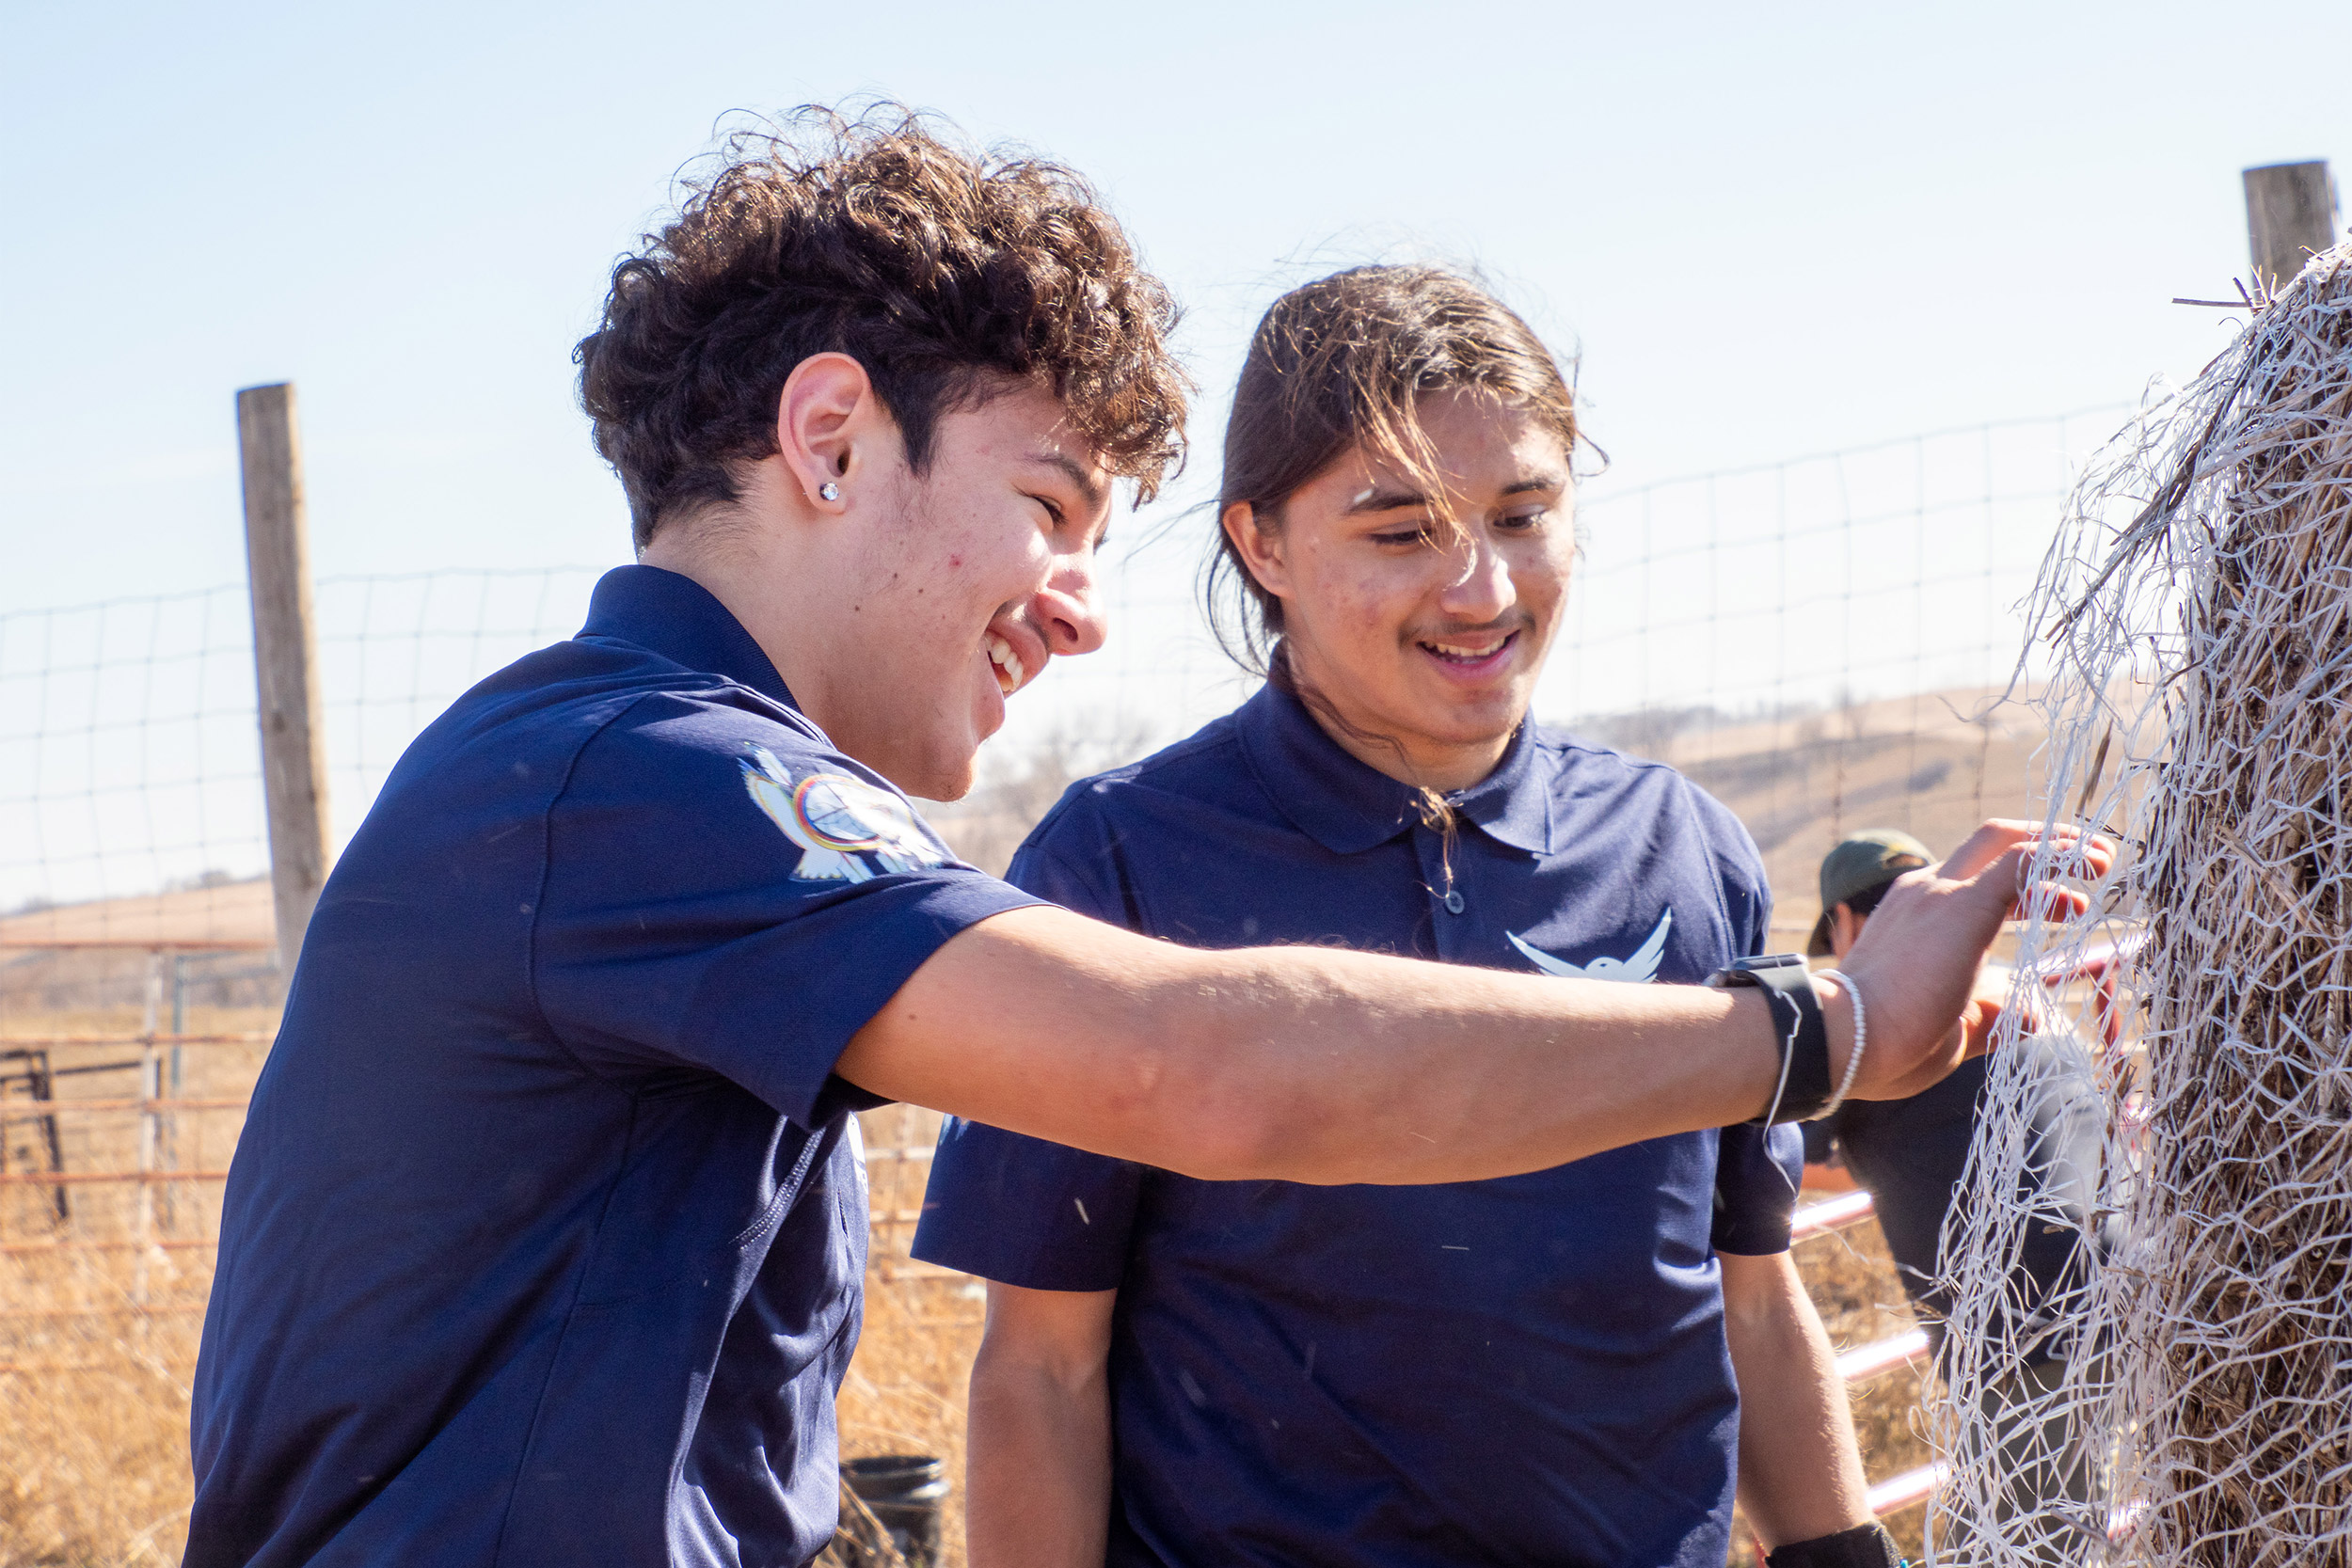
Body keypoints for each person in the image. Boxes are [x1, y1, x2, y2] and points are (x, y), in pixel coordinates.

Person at [183, 108, 2093, 1568]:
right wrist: (1818, 1031)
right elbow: (1203, 1071)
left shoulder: (621, 774)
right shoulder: (642, 777)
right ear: (831, 438)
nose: (1084, 603)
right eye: (1049, 502)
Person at [914, 265, 1889, 1568]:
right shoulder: (1120, 865)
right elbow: (1041, 1365)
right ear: (1260, 542)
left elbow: (1749, 1295)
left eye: (1523, 513)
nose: (1482, 589)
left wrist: (1845, 1552)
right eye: (1399, 530)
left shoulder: (1681, 851)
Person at [1800, 831, 2111, 1551]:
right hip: (2119, 1285)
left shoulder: (1872, 1016)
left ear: (1848, 921)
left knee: (2018, 1546)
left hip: (2024, 1337)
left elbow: (1785, 1156)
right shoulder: (2006, 982)